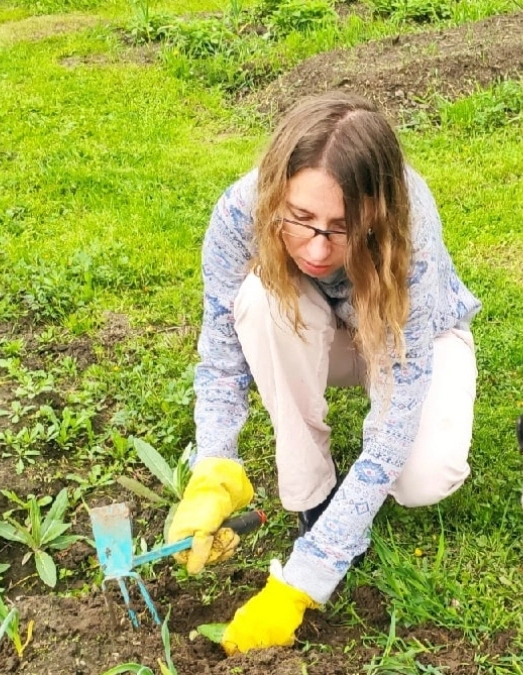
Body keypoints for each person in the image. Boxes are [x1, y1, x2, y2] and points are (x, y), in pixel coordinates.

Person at [167, 91, 482, 655]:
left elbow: (394, 419)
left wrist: (304, 579)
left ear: (375, 213)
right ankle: (313, 494)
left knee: (422, 480)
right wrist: (214, 463)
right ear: (276, 195)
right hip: (313, 333)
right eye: (301, 219)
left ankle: (332, 531)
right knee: (259, 302)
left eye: (341, 227)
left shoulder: (409, 221)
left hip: (413, 339)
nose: (316, 248)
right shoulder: (242, 209)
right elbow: (220, 350)